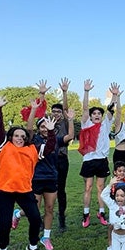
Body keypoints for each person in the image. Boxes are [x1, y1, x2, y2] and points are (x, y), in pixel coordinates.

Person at [0, 96, 57, 250]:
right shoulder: (4, 147)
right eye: (16, 135)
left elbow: (50, 147)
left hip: (25, 190)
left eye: (22, 136)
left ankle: (33, 246)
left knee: (36, 219)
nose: (20, 138)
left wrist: (51, 131)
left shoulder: (32, 149)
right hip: (4, 191)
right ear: (11, 137)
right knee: (4, 224)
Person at [20, 83, 75, 250]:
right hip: (36, 178)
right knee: (34, 209)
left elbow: (70, 136)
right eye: (42, 126)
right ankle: (24, 219)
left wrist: (71, 119)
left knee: (50, 208)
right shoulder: (33, 139)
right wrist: (36, 106)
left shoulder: (55, 140)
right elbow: (29, 127)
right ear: (39, 128)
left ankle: (46, 237)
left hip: (52, 177)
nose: (44, 128)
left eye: (47, 126)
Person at [78, 80, 119, 227]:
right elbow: (84, 109)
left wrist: (114, 96)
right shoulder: (86, 124)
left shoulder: (105, 125)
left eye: (99, 114)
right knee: (88, 187)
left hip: (102, 160)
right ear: (90, 116)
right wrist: (86, 92)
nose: (97, 115)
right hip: (89, 160)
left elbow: (110, 109)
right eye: (94, 113)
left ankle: (101, 213)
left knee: (101, 188)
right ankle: (86, 214)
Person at [53, 77, 72, 232]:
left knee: (61, 190)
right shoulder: (46, 124)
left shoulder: (65, 124)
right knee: (44, 189)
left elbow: (66, 110)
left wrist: (64, 92)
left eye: (59, 111)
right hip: (47, 160)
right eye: (54, 111)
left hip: (61, 159)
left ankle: (61, 217)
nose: (56, 113)